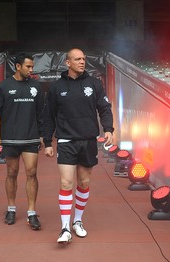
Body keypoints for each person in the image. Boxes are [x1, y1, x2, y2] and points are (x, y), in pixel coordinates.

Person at [44, 48, 114, 243]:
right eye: (77, 59)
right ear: (68, 63)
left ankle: (77, 221)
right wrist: (48, 142)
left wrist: (108, 129)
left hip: (88, 140)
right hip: (66, 141)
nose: (82, 62)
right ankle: (64, 228)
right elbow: (48, 116)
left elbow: (104, 108)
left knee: (84, 183)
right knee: (66, 183)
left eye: (84, 58)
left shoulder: (94, 84)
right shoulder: (57, 87)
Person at [0, 52, 44, 230]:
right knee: (12, 173)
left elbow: (42, 113)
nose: (31, 70)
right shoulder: (4, 87)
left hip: (31, 137)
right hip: (10, 138)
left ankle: (32, 212)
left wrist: (43, 136)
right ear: (18, 67)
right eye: (28, 66)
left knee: (31, 173)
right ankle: (11, 208)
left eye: (32, 66)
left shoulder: (36, 86)